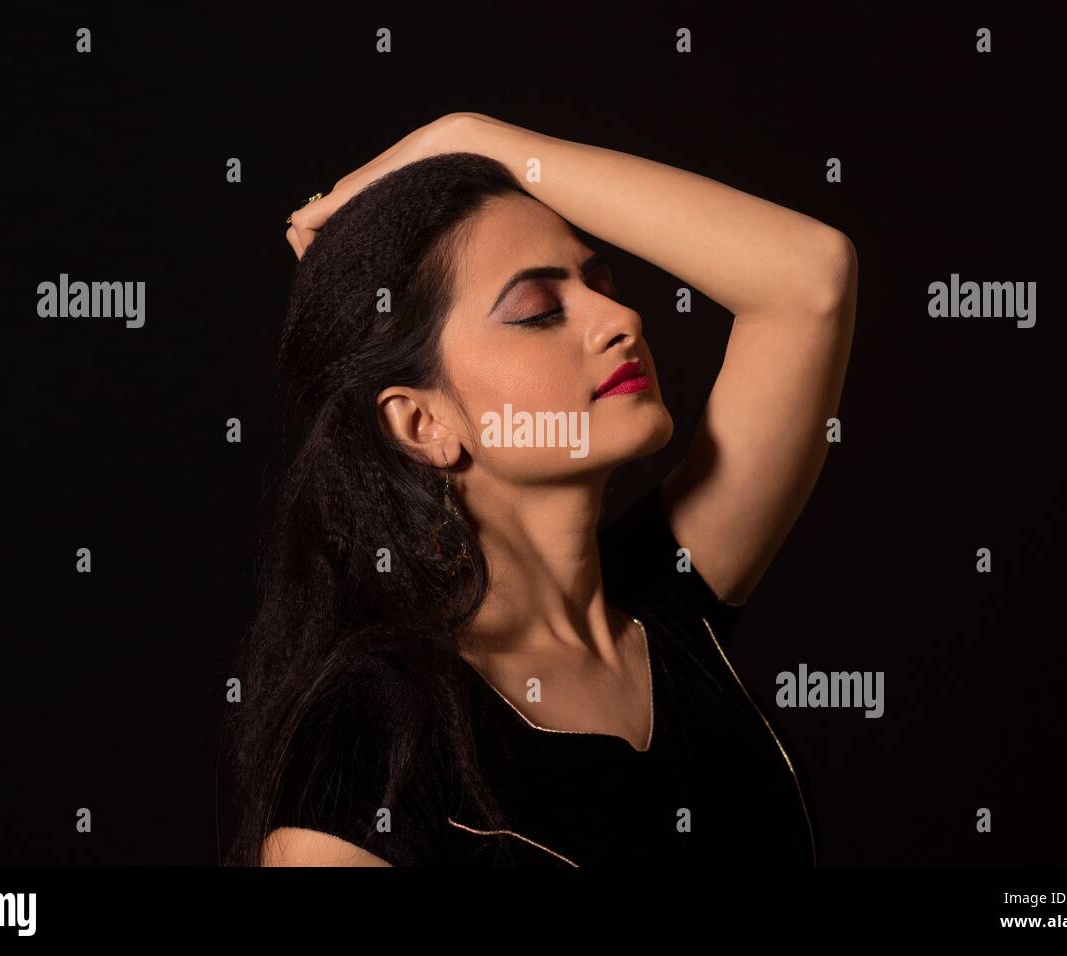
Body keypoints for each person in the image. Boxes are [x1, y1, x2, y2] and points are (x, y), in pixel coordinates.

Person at [222, 112, 857, 866]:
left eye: (599, 282)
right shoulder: (374, 730)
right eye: (538, 312)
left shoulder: (676, 597)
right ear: (422, 422)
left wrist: (469, 138)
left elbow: (810, 279)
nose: (620, 319)